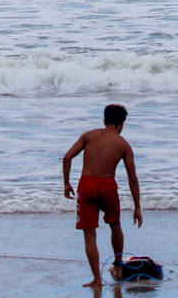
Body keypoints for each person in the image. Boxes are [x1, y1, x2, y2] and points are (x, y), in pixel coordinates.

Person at [64, 104, 143, 287]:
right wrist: (137, 207)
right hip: (107, 185)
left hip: (87, 184)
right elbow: (133, 179)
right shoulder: (123, 145)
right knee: (115, 225)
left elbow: (67, 157)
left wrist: (67, 183)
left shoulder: (89, 136)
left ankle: (97, 280)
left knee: (89, 234)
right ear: (122, 124)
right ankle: (117, 266)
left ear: (104, 120)